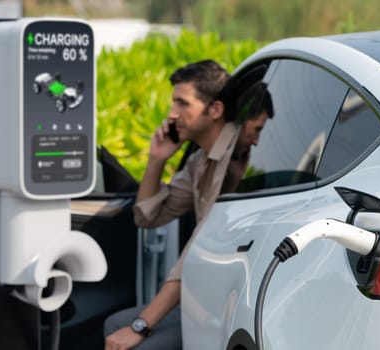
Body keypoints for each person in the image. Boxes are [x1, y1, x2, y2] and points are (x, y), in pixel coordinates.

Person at [104, 61, 272, 350]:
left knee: (135, 342)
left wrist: (141, 326)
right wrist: (158, 159)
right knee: (114, 325)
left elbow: (193, 255)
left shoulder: (233, 164)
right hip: (201, 301)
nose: (172, 114)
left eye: (183, 104)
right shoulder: (200, 162)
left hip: (227, 308)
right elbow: (148, 216)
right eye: (173, 103)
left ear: (215, 110)